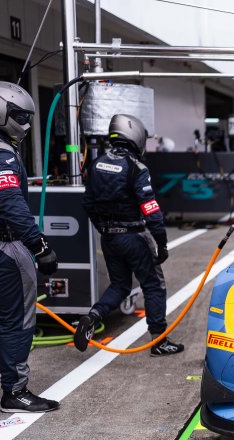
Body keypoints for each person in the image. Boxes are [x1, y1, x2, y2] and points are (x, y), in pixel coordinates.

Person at [0, 81, 60, 412]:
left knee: (7, 309)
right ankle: (15, 392)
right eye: (19, 115)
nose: (26, 124)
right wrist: (39, 244)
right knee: (19, 318)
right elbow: (9, 201)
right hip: (2, 245)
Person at [73, 114, 184, 356]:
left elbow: (87, 203)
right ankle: (159, 341)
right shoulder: (136, 168)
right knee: (154, 286)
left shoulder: (96, 164)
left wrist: (102, 227)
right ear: (134, 135)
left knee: (120, 285)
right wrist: (161, 244)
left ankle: (93, 316)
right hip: (134, 236)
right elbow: (151, 210)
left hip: (110, 238)